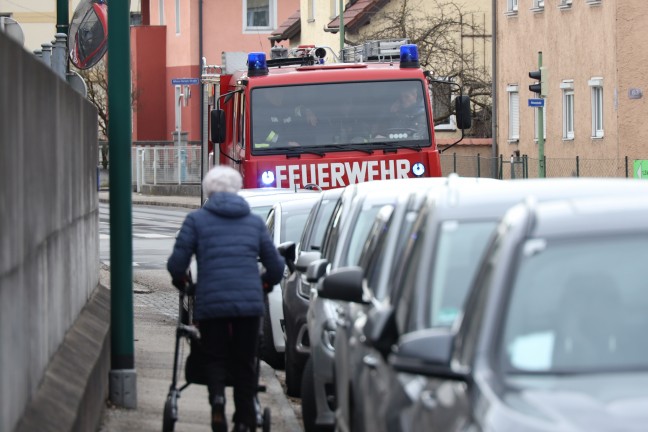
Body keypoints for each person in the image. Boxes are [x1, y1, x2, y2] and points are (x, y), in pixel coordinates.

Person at [167, 166, 285, 432]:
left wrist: (185, 284)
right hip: (248, 306)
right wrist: (263, 284)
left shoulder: (196, 221)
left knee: (215, 357)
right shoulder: (254, 223)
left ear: (207, 190)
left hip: (211, 304)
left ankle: (218, 401)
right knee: (244, 362)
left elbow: (176, 265)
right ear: (237, 190)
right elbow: (276, 267)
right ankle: (244, 419)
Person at [252, 88, 318, 148]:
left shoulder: (287, 106)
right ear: (266, 94)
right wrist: (285, 143)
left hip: (295, 149)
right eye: (272, 92)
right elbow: (266, 135)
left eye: (279, 91)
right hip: (273, 152)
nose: (277, 94)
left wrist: (307, 112)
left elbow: (297, 110)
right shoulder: (261, 113)